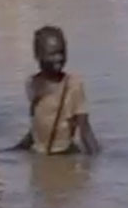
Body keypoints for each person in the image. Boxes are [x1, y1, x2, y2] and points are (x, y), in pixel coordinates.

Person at [13, 26, 100, 155]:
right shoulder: (32, 83)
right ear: (38, 56)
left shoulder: (72, 85)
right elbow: (37, 128)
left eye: (62, 52)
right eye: (52, 54)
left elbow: (85, 130)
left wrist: (96, 161)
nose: (59, 58)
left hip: (64, 158)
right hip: (39, 158)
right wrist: (14, 151)